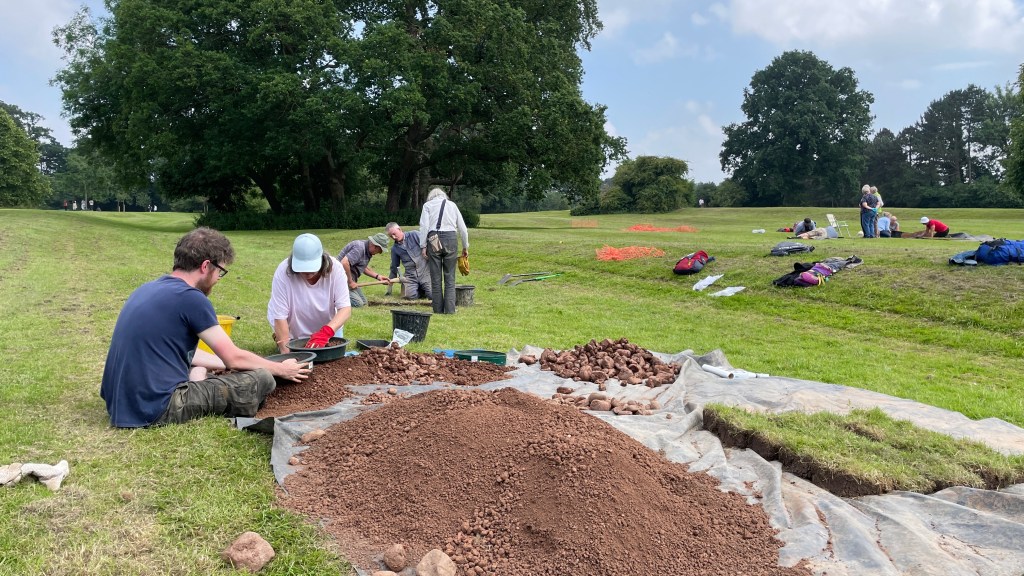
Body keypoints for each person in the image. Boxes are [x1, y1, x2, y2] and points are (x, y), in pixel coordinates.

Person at [100, 227, 311, 428]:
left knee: (213, 367)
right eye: (220, 272)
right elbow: (234, 358)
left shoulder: (147, 289)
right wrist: (282, 369)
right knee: (262, 378)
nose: (218, 279)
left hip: (121, 402)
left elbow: (173, 351)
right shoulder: (191, 298)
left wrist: (227, 364)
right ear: (205, 266)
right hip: (156, 407)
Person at [267, 233, 352, 353]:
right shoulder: (283, 272)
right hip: (294, 325)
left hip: (328, 326)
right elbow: (280, 317)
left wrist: (325, 333)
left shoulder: (336, 269)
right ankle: (284, 339)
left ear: (323, 259)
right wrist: (286, 354)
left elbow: (345, 309)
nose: (308, 273)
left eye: (312, 267)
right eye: (303, 268)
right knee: (294, 350)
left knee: (330, 356)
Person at [419, 187, 469, 314]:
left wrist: (423, 246)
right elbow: (462, 228)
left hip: (434, 238)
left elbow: (424, 226)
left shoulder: (427, 205)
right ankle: (450, 310)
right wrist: (465, 246)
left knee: (435, 278)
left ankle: (437, 309)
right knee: (450, 277)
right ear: (444, 195)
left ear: (431, 197)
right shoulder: (452, 205)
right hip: (451, 239)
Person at [338, 232, 392, 307]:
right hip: (339, 280)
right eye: (380, 250)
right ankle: (334, 297)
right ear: (374, 245)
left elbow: (363, 267)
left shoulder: (367, 251)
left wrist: (378, 276)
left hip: (348, 279)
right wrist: (350, 282)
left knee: (364, 302)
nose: (380, 253)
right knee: (358, 304)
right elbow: (344, 263)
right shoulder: (360, 248)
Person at [385, 222, 431, 300]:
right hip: (410, 276)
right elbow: (394, 266)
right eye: (391, 236)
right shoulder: (394, 249)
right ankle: (413, 288)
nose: (393, 237)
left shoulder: (414, 235)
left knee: (433, 296)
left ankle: (423, 289)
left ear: (399, 229)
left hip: (425, 273)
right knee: (410, 297)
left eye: (394, 234)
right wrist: (390, 284)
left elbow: (428, 245)